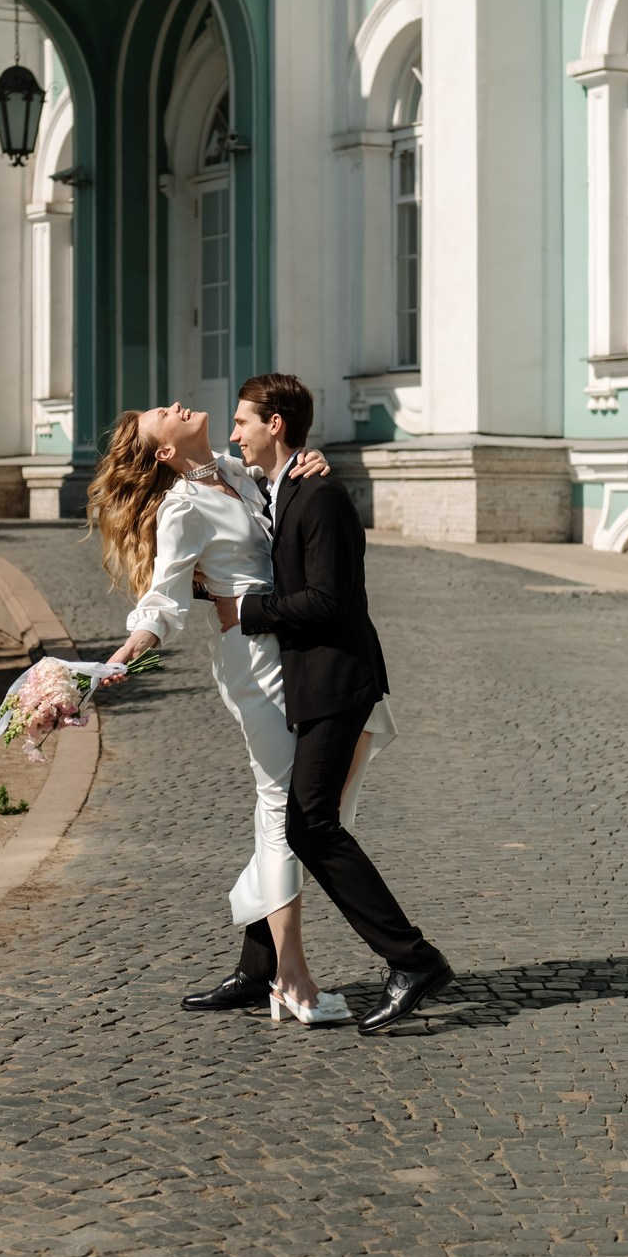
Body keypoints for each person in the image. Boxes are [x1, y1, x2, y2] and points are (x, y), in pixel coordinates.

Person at [89, 402, 353, 1025]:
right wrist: (118, 660)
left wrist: (314, 461)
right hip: (254, 659)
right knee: (285, 803)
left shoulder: (236, 473)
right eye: (162, 414)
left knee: (315, 797)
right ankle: (291, 976)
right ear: (161, 452)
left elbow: (287, 498)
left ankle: (263, 966)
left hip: (297, 647)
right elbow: (164, 597)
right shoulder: (184, 506)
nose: (174, 405)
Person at [210, 373, 452, 1036]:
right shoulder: (281, 485)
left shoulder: (319, 497)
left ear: (277, 424)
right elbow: (206, 465)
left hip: (339, 682)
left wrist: (246, 611)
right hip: (313, 682)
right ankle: (264, 964)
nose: (233, 433)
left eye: (242, 421)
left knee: (310, 825)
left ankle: (414, 960)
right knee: (296, 820)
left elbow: (330, 602)